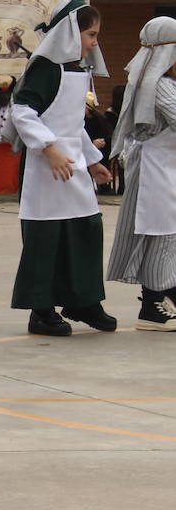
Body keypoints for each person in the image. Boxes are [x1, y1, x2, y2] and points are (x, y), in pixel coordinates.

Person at [9, 0, 114, 336]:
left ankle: (83, 301)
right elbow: (22, 112)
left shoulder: (77, 71)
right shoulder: (46, 68)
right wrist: (48, 148)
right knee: (46, 239)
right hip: (46, 171)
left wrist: (95, 161)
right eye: (91, 34)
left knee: (86, 231)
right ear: (70, 32)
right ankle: (41, 311)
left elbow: (73, 126)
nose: (94, 42)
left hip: (75, 168)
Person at [106, 16, 176, 330]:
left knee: (165, 237)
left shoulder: (162, 82)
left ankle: (159, 301)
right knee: (161, 235)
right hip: (155, 172)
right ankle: (153, 306)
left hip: (165, 168)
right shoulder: (158, 84)